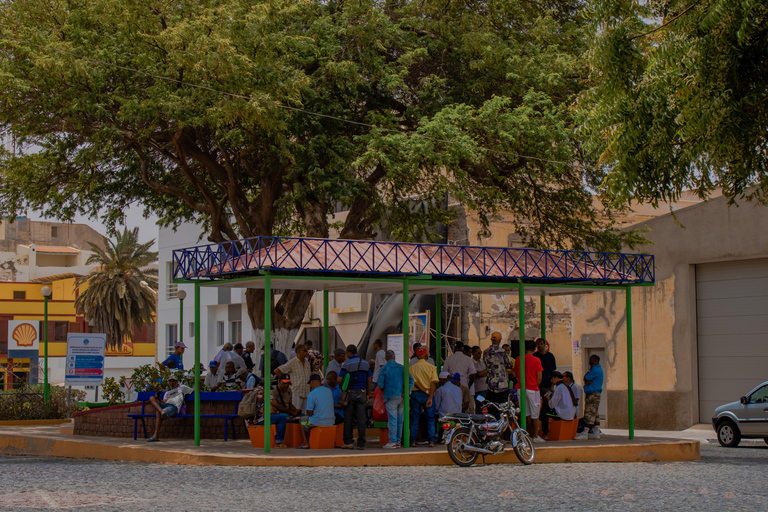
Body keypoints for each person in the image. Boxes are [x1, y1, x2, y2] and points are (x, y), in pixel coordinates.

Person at [376, 350, 414, 449]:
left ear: (385, 358)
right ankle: (398, 441)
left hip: (390, 397)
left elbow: (380, 385)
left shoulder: (384, 369)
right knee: (400, 420)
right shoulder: (402, 368)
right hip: (401, 397)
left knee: (392, 420)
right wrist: (407, 392)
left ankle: (392, 441)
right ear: (394, 357)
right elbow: (411, 380)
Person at [338, 344, 372, 450]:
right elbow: (369, 379)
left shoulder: (347, 364)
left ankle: (348, 442)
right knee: (361, 418)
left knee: (348, 418)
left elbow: (339, 379)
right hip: (361, 393)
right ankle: (361, 443)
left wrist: (342, 388)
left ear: (349, 353)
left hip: (350, 393)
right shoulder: (366, 364)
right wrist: (367, 393)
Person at [515, 339, 545, 444]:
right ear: (535, 348)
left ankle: (526, 434)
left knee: (525, 413)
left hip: (520, 388)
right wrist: (535, 384)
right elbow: (539, 377)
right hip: (533, 388)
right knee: (535, 414)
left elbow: (516, 373)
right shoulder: (536, 360)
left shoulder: (518, 359)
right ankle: (535, 436)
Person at [408, 347, 439, 447]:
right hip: (429, 395)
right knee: (430, 419)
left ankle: (413, 441)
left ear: (417, 356)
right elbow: (433, 383)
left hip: (416, 394)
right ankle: (431, 441)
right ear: (426, 356)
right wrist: (429, 397)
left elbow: (415, 383)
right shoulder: (431, 367)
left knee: (415, 418)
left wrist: (424, 391)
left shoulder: (412, 368)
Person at [146, 376, 192, 442]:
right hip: (166, 406)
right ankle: (162, 412)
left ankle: (155, 436)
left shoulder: (182, 388)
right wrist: (158, 399)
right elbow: (164, 402)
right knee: (152, 398)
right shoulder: (167, 393)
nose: (171, 383)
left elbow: (194, 390)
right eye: (170, 381)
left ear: (176, 382)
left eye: (173, 381)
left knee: (157, 413)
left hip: (174, 407)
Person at [297, 374, 336, 449]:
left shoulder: (312, 394)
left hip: (317, 421)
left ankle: (305, 443)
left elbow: (310, 413)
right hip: (331, 420)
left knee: (302, 421)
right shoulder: (329, 391)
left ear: (312, 382)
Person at [275, 344, 312, 412]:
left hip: (306, 392)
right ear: (298, 352)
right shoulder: (292, 362)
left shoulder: (307, 363)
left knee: (305, 415)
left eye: (307, 350)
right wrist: (286, 382)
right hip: (296, 392)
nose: (307, 352)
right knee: (296, 413)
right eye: (304, 350)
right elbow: (277, 371)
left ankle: (303, 423)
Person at [575, 355, 604, 440]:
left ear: (595, 361)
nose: (589, 362)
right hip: (594, 393)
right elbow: (586, 380)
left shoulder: (595, 370)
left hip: (592, 394)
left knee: (589, 413)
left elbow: (585, 377)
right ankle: (596, 431)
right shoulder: (597, 369)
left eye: (591, 360)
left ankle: (585, 432)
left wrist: (586, 378)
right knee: (595, 413)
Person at [534, 337, 557, 438]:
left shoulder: (550, 356)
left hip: (547, 385)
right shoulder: (535, 356)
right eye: (537, 344)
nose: (539, 346)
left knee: (545, 407)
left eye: (541, 344)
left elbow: (553, 370)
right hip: (537, 385)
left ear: (544, 345)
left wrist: (552, 385)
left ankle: (545, 431)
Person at [483, 332, 514, 408]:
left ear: (491, 340)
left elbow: (485, 363)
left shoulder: (486, 352)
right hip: (502, 384)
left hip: (491, 384)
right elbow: (510, 363)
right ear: (499, 340)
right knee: (503, 408)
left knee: (492, 407)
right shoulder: (502, 351)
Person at [471, 346, 489, 411]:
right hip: (478, 389)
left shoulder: (483, 361)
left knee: (489, 406)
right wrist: (487, 370)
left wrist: (484, 372)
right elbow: (478, 374)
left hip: (486, 388)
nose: (480, 354)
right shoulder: (471, 362)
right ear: (473, 353)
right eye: (478, 353)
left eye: (480, 353)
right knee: (479, 407)